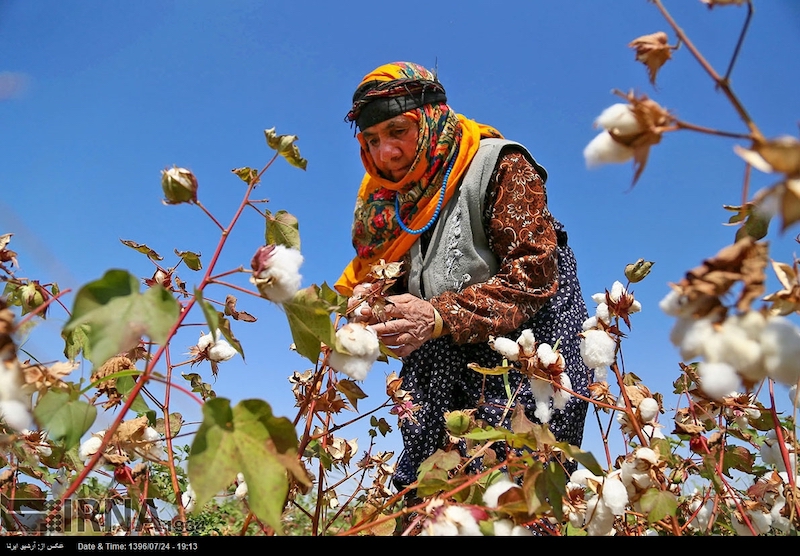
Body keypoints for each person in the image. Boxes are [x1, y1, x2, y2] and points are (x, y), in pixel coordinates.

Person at [334, 61, 592, 501]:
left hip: (523, 372)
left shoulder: (500, 165)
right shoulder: (385, 204)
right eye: (372, 140)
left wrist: (437, 314)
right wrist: (372, 299)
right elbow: (398, 281)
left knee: (511, 503)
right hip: (437, 383)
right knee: (430, 506)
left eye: (397, 130)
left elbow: (533, 274)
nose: (385, 154)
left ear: (431, 118)